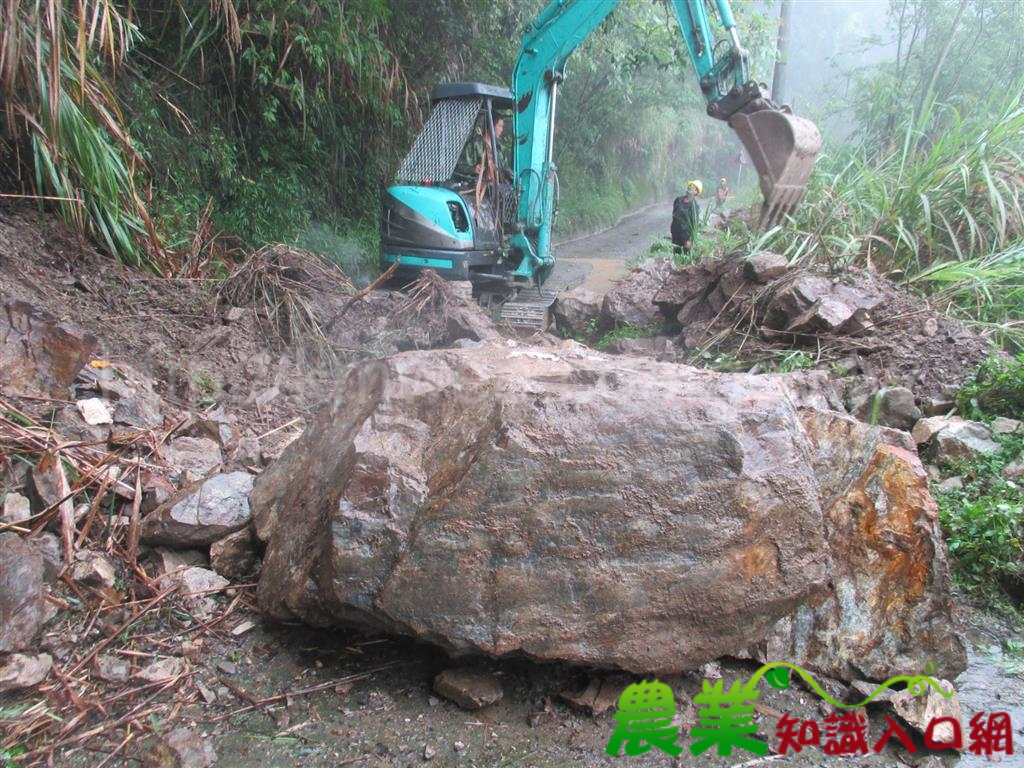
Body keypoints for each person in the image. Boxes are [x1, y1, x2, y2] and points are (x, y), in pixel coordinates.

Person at [671, 180, 702, 256]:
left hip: (685, 237)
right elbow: (674, 214)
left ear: (696, 192)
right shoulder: (678, 200)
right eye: (690, 186)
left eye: (693, 187)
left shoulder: (694, 206)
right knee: (675, 255)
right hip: (675, 234)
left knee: (684, 258)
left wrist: (690, 240)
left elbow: (695, 225)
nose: (690, 188)